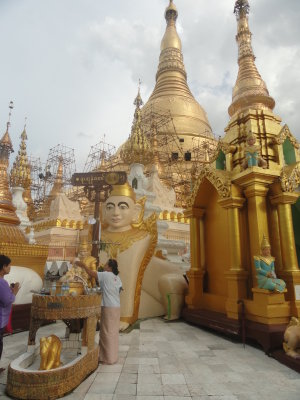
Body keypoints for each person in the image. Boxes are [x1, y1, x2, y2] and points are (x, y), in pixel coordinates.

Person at [77, 258, 122, 365]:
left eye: (106, 265)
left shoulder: (106, 274)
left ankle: (108, 359)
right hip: (116, 306)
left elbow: (90, 273)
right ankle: (111, 357)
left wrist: (82, 264)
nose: (104, 266)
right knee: (113, 332)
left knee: (106, 333)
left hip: (108, 307)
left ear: (110, 267)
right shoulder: (117, 278)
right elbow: (119, 290)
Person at [0, 255, 20, 373]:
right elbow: (8, 300)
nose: (10, 267)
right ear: (3, 266)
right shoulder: (1, 282)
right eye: (8, 265)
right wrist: (15, 291)